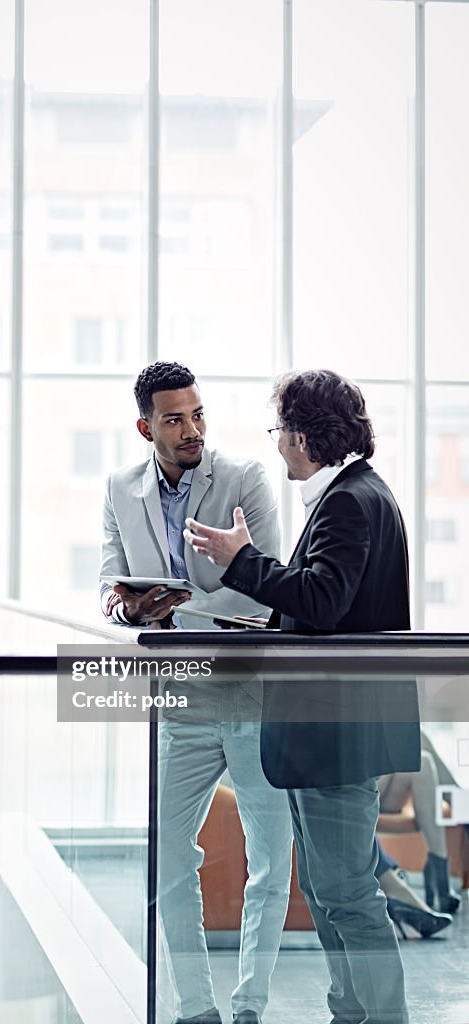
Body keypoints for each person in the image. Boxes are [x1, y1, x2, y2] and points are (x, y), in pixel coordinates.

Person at [184, 369, 421, 1024]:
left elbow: (321, 598)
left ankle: (378, 1019)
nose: (277, 446)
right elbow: (329, 607)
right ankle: (352, 1014)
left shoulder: (347, 500)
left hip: (337, 732)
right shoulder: (354, 494)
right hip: (335, 729)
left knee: (344, 892)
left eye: (279, 431)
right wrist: (273, 622)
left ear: (304, 434)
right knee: (326, 887)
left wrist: (242, 560)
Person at [100, 361, 293, 1024]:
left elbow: (265, 582)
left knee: (269, 860)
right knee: (167, 856)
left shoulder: (244, 479)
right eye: (174, 419)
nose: (191, 430)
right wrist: (126, 609)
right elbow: (108, 579)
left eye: (197, 414)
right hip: (178, 697)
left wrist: (174, 611)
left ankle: (248, 1009)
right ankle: (194, 1010)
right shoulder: (120, 489)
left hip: (248, 693)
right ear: (144, 426)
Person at [378, 729, 461, 914]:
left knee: (423, 762)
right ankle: (439, 883)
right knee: (411, 735)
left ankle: (440, 883)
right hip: (350, 787)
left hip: (375, 784)